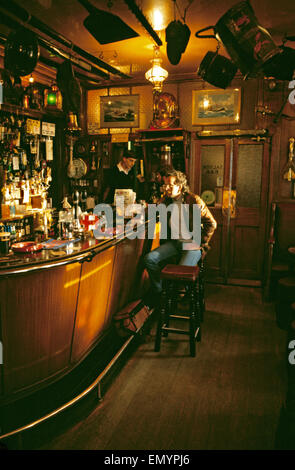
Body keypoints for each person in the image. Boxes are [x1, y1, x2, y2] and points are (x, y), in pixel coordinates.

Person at [143, 168, 217, 307]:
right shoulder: (166, 200)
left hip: (192, 245)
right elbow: (150, 213)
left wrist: (200, 242)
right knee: (149, 259)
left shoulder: (194, 200)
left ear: (180, 186)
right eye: (165, 185)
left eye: (170, 185)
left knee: (179, 274)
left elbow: (211, 223)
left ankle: (174, 299)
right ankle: (159, 292)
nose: (167, 188)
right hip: (175, 243)